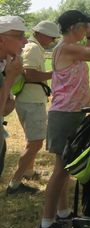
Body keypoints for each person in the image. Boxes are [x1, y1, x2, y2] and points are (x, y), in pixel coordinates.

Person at [39, 10, 90, 228]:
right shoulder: (67, 47)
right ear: (74, 27)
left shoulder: (71, 48)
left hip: (72, 113)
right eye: (84, 26)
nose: (87, 30)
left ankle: (62, 212)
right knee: (61, 170)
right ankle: (46, 223)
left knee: (66, 168)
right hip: (65, 115)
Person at [7, 21, 60, 195]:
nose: (52, 41)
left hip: (29, 99)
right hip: (31, 101)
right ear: (42, 34)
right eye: (51, 37)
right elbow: (29, 74)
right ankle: (15, 183)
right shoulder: (33, 48)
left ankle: (28, 172)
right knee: (36, 142)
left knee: (32, 141)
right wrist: (56, 74)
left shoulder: (33, 47)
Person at [0, 16, 28, 179]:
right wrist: (10, 77)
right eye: (19, 36)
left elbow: (7, 108)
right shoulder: (8, 70)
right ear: (2, 39)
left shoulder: (4, 65)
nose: (24, 41)